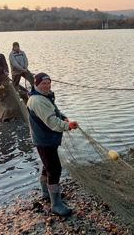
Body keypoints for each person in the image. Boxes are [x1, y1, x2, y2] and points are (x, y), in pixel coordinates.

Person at [27, 73, 78, 216]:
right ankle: (56, 204)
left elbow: (54, 112)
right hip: (44, 140)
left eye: (49, 83)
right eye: (44, 84)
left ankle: (46, 193)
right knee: (54, 170)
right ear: (36, 85)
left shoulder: (44, 96)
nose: (47, 86)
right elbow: (52, 122)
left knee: (47, 166)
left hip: (45, 139)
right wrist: (68, 126)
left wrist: (64, 117)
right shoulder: (37, 100)